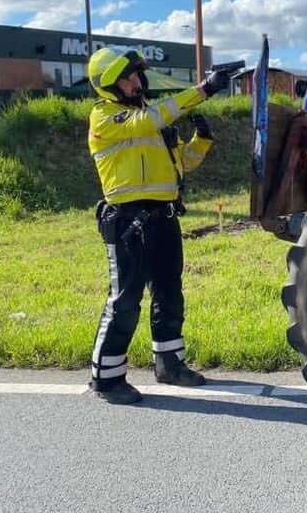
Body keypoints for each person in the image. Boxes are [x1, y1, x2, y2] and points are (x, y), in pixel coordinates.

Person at [86, 46, 230, 404]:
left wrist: (203, 140)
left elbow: (182, 165)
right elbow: (148, 119)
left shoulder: (151, 123)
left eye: (138, 75)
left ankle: (169, 364)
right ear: (110, 85)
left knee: (169, 292)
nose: (138, 82)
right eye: (129, 77)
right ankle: (106, 378)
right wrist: (202, 91)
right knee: (125, 300)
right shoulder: (105, 117)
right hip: (126, 220)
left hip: (163, 217)